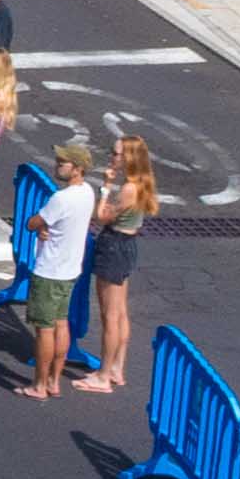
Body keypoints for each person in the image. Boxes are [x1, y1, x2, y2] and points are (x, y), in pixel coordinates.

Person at [78, 133, 156, 392]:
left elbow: (101, 216)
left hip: (114, 246)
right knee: (120, 312)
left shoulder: (128, 189)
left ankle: (103, 376)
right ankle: (116, 368)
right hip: (127, 245)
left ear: (128, 158)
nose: (111, 157)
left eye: (116, 153)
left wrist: (105, 187)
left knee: (109, 315)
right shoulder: (141, 184)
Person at [20, 156, 97, 398]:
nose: (58, 165)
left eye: (64, 162)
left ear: (78, 169)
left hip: (49, 271)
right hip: (69, 271)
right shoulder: (87, 192)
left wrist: (40, 226)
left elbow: (32, 223)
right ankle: (54, 381)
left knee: (44, 330)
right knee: (61, 323)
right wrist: (46, 228)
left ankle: (39, 385)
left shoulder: (61, 198)